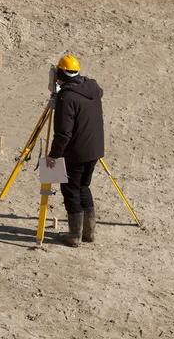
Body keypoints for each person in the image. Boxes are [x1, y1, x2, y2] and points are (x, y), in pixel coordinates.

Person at [45, 54, 104, 247]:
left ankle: (75, 236)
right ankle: (89, 233)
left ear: (61, 72)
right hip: (94, 150)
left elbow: (63, 133)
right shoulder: (92, 88)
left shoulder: (67, 97)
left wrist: (53, 156)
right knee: (83, 187)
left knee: (70, 190)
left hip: (76, 153)